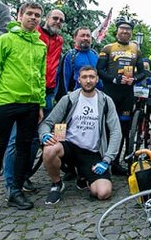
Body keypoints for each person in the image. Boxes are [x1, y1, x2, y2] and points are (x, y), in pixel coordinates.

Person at [0, 2, 47, 218]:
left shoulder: (41, 45)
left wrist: (40, 104)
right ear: (20, 16)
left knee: (24, 149)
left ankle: (15, 192)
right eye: (30, 14)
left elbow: (40, 77)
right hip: (5, 103)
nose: (34, 18)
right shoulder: (5, 40)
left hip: (31, 105)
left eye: (37, 15)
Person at [2, 8, 65, 194]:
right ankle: (11, 183)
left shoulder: (59, 40)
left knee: (36, 139)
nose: (57, 22)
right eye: (54, 18)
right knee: (16, 139)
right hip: (26, 93)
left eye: (61, 20)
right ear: (46, 19)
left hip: (48, 93)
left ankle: (24, 176)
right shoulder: (33, 34)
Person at [39, 66, 122, 204]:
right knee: (49, 150)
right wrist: (44, 135)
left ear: (97, 79)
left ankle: (84, 176)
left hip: (92, 152)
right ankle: (56, 184)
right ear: (79, 79)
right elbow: (47, 123)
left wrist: (107, 160)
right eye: (84, 77)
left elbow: (115, 131)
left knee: (103, 193)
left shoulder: (106, 101)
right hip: (69, 147)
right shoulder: (69, 99)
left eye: (91, 77)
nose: (88, 81)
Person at [96, 16, 147, 175]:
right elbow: (99, 70)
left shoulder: (136, 50)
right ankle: (102, 160)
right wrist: (114, 79)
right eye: (122, 29)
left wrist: (134, 79)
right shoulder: (107, 48)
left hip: (127, 95)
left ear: (131, 32)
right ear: (117, 31)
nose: (125, 31)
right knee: (106, 128)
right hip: (110, 93)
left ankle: (117, 163)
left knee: (124, 129)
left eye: (128, 29)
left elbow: (143, 72)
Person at [60, 26, 103, 96]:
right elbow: (64, 79)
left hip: (95, 96)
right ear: (74, 38)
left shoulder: (95, 54)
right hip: (77, 96)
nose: (85, 38)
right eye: (82, 36)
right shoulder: (70, 56)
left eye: (88, 36)